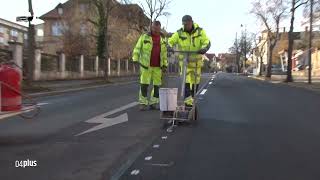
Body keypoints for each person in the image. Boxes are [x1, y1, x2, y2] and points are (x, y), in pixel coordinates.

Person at [168, 15, 211, 107]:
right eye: (184, 24)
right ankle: (188, 103)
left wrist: (204, 48)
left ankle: (191, 98)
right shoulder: (179, 33)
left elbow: (207, 41)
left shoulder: (200, 31)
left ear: (191, 22)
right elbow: (170, 40)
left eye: (187, 24)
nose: (185, 26)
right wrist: (169, 46)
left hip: (196, 63)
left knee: (195, 83)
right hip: (184, 62)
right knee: (185, 82)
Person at [132, 21, 168, 111]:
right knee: (144, 85)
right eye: (154, 28)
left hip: (158, 67)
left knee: (157, 86)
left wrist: (165, 65)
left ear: (160, 29)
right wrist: (135, 58)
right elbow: (137, 48)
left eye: (158, 29)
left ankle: (153, 103)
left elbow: (164, 54)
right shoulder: (144, 37)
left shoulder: (163, 40)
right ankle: (143, 103)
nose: (156, 30)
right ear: (151, 28)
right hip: (145, 66)